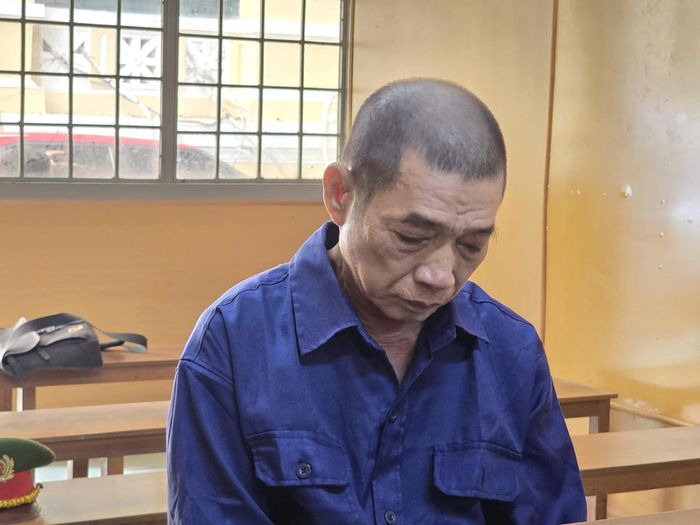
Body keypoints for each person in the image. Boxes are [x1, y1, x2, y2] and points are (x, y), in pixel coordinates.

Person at [167, 78, 587, 524]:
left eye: (471, 245)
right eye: (412, 237)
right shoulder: (233, 344)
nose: (441, 276)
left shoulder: (511, 351)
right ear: (340, 195)